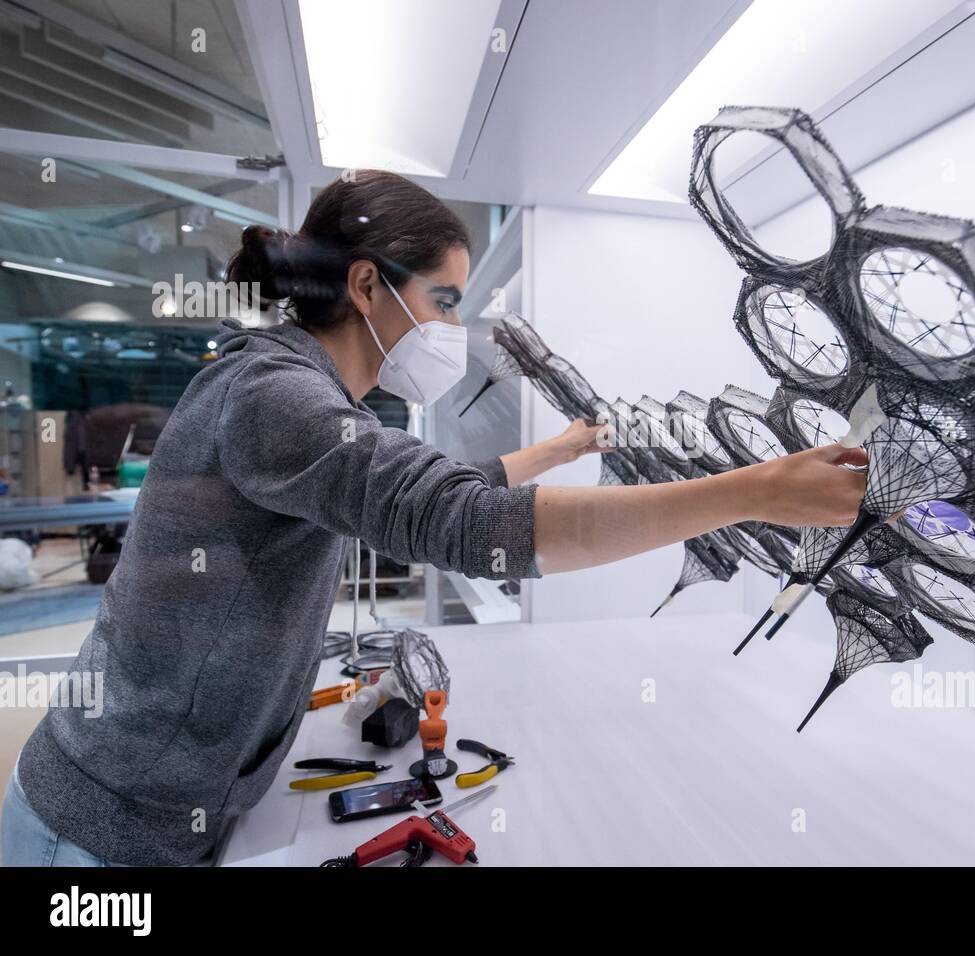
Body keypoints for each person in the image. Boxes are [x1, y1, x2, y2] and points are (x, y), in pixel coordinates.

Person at [1, 171, 868, 866]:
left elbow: (433, 489)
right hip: (101, 832)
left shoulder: (294, 392)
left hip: (167, 804)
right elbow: (466, 521)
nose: (454, 326)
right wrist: (754, 492)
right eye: (446, 301)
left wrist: (559, 451)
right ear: (368, 285)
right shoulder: (279, 398)